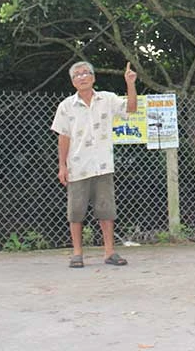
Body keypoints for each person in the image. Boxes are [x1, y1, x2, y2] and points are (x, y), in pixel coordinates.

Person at [51, 60, 138, 268]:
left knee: (106, 211)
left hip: (102, 165)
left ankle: (109, 252)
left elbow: (131, 108)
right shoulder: (66, 106)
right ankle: (77, 253)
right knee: (76, 212)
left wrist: (130, 83)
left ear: (93, 77)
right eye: (77, 75)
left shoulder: (107, 99)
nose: (82, 77)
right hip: (78, 166)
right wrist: (62, 165)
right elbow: (63, 137)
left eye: (85, 73)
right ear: (73, 81)